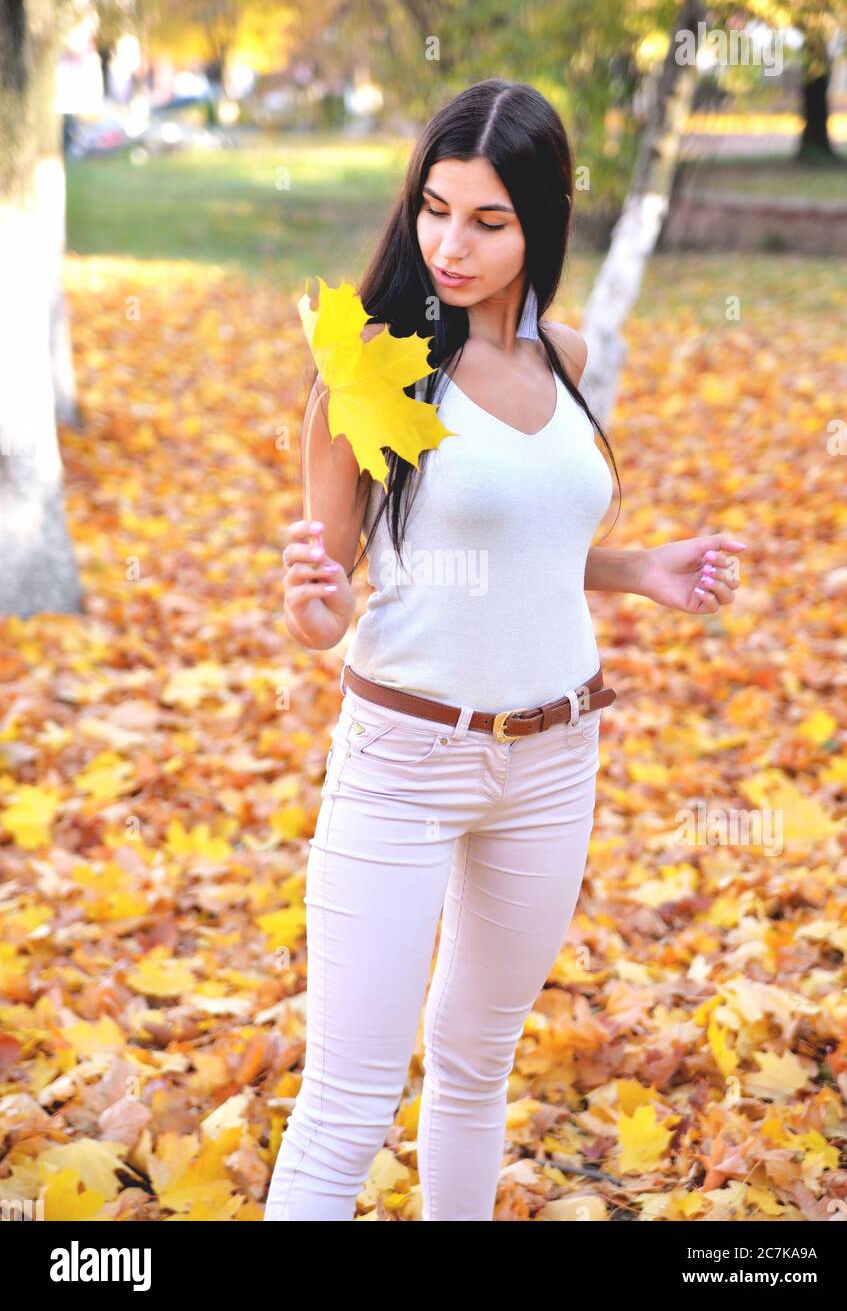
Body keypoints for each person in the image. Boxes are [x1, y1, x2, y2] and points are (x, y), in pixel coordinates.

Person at [268, 78, 746, 1221]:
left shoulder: (568, 356)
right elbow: (331, 596)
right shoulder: (369, 368)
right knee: (348, 1099)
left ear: (540, 221)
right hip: (404, 759)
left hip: (554, 757)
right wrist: (312, 603)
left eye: (488, 221)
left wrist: (639, 567)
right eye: (435, 210)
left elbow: (517, 548)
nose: (451, 244)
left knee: (480, 1065)